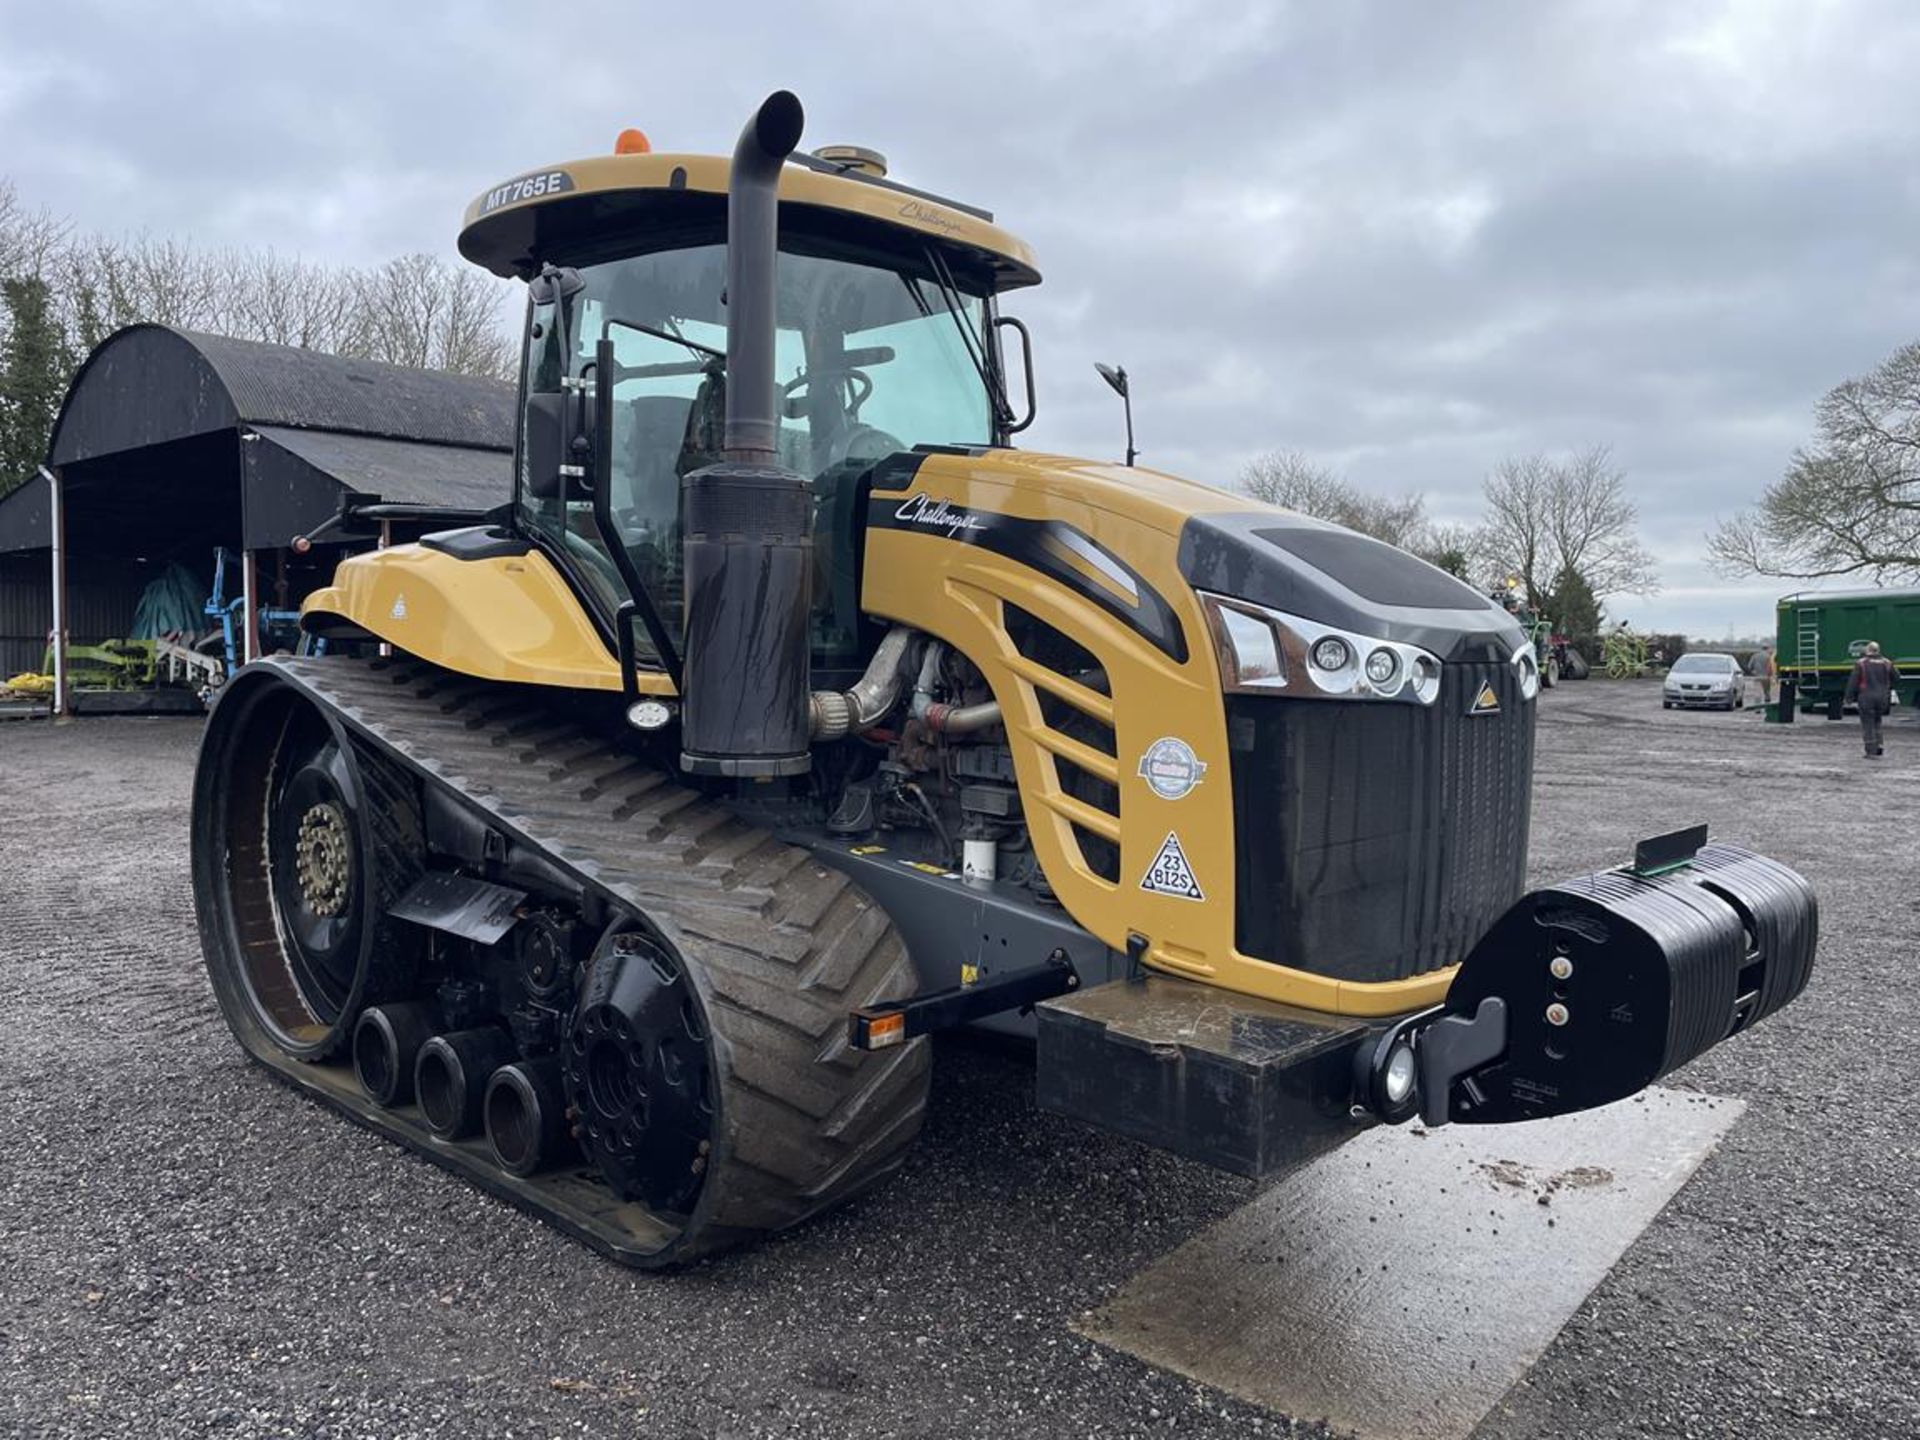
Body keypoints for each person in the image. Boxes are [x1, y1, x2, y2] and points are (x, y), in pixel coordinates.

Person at [1842, 641, 1898, 759]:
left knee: (1868, 724)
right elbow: (1897, 677)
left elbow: (1853, 682)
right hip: (1883, 697)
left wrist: (1848, 698)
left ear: (1868, 651)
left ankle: (1870, 750)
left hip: (1866, 697)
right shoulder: (1887, 662)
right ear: (1878, 650)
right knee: (1878, 721)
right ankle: (1879, 746)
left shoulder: (1861, 663)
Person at [1748, 642, 1777, 707]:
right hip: (1766, 677)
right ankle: (1767, 707)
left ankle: (1757, 708)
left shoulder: (1755, 656)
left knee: (1757, 693)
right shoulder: (1769, 657)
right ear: (1768, 648)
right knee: (1767, 693)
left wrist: (1753, 672)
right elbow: (1772, 668)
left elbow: (1749, 667)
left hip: (1757, 677)